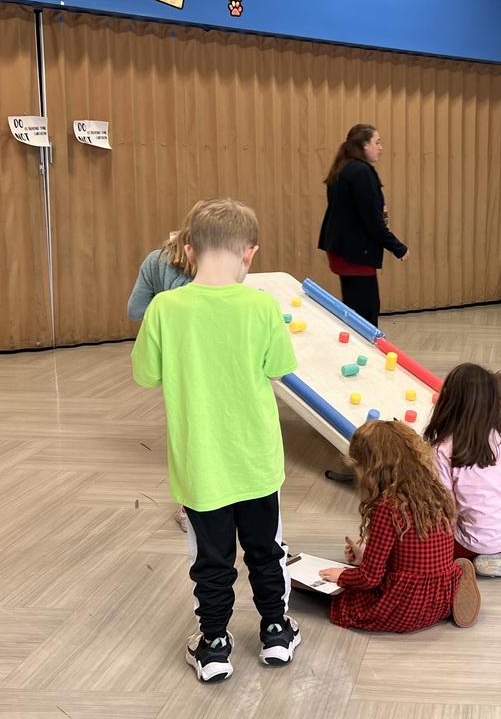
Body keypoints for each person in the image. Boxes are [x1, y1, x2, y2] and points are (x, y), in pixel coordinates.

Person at [131, 198, 301, 683]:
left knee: (210, 558)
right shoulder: (261, 305)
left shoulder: (164, 308)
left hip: (200, 464)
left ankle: (214, 646)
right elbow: (279, 369)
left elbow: (145, 375)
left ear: (188, 250)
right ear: (250, 254)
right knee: (267, 549)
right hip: (256, 461)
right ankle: (275, 632)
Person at [317, 421, 481, 631]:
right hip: (440, 599)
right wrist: (364, 559)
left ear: (371, 469)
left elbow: (369, 578)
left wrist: (342, 576)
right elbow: (411, 555)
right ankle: (456, 579)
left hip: (406, 608)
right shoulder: (437, 492)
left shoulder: (389, 506)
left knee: (345, 602)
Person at [127, 201, 201, 532]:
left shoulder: (154, 260)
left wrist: (163, 313)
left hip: (174, 361)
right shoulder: (213, 264)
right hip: (209, 355)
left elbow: (135, 310)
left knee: (186, 430)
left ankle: (189, 506)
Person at [425, 363, 501, 578]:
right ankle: (494, 553)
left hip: (478, 540)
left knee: (420, 548)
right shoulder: (500, 433)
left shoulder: (442, 450)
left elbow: (447, 509)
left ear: (448, 401)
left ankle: (478, 561)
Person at [318, 123, 409, 327]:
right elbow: (372, 220)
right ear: (364, 144)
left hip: (343, 250)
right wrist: (397, 247)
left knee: (356, 308)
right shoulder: (361, 172)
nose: (381, 148)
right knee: (365, 315)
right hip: (355, 253)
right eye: (377, 142)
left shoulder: (343, 167)